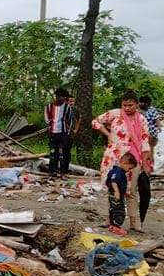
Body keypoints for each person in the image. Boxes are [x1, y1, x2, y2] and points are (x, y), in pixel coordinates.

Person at [92, 90, 153, 231]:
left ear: (137, 105)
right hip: (113, 157)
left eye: (130, 105)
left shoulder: (142, 120)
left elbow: (145, 141)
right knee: (111, 188)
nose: (127, 108)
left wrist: (145, 163)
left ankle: (134, 222)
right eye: (125, 105)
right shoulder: (115, 114)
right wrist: (107, 134)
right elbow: (95, 122)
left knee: (130, 191)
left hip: (132, 159)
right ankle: (108, 219)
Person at [45, 87, 77, 177]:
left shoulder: (67, 107)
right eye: (63, 97)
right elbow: (47, 119)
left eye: (65, 97)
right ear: (58, 97)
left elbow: (70, 121)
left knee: (64, 153)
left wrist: (68, 132)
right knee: (53, 152)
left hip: (63, 134)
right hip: (53, 133)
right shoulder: (49, 107)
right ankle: (52, 171)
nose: (64, 99)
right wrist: (50, 126)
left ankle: (63, 172)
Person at [105, 152, 137, 236]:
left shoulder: (115, 170)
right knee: (120, 211)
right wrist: (117, 192)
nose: (129, 170)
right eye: (129, 168)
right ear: (124, 163)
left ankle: (112, 225)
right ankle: (116, 226)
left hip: (113, 194)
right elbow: (114, 182)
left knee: (113, 210)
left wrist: (124, 192)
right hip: (115, 195)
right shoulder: (119, 172)